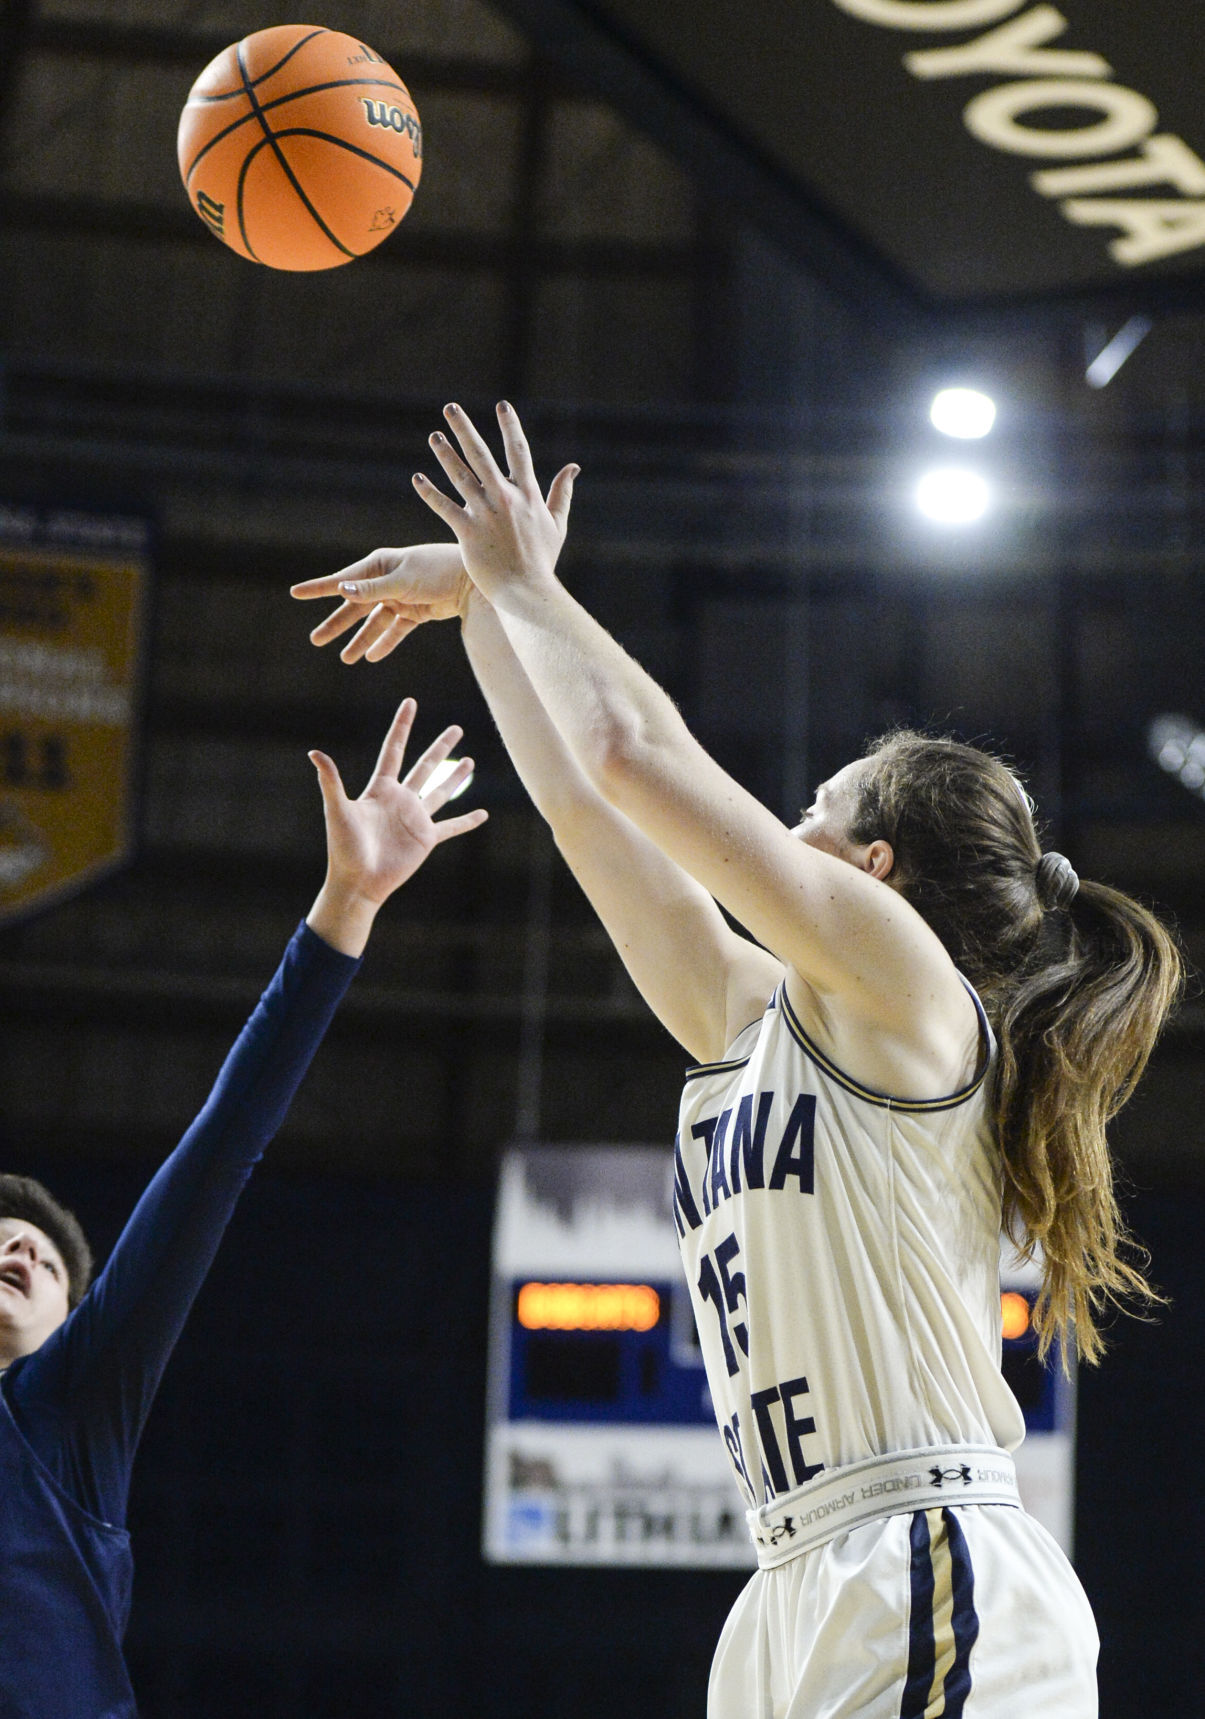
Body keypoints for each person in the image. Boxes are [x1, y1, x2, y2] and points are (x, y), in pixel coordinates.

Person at [292, 403, 1183, 1718]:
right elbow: (590, 812)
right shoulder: (756, 1016)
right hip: (792, 1575)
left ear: (873, 868)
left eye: (813, 806)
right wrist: (485, 604)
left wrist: (527, 578)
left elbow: (632, 751)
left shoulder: (910, 987)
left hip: (926, 1554)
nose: (778, 819)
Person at [0, 698, 485, 1719]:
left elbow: (221, 1149)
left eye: (40, 1255)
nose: (16, 1251)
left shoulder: (68, 1409)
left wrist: (345, 905)